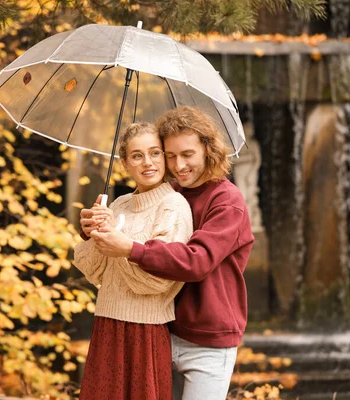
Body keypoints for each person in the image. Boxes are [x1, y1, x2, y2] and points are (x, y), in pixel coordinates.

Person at [86, 106, 255, 400]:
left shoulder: (228, 201)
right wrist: (94, 227)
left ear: (208, 149)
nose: (179, 165)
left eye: (187, 154)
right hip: (160, 328)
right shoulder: (168, 192)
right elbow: (132, 225)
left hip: (208, 339)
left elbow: (196, 260)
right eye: (171, 155)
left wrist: (129, 249)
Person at [74, 122, 193, 400]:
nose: (147, 162)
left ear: (165, 158)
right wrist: (93, 233)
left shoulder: (173, 205)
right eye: (137, 156)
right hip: (107, 323)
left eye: (155, 153)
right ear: (125, 163)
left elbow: (160, 279)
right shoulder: (118, 205)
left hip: (145, 332)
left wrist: (121, 244)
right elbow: (96, 272)